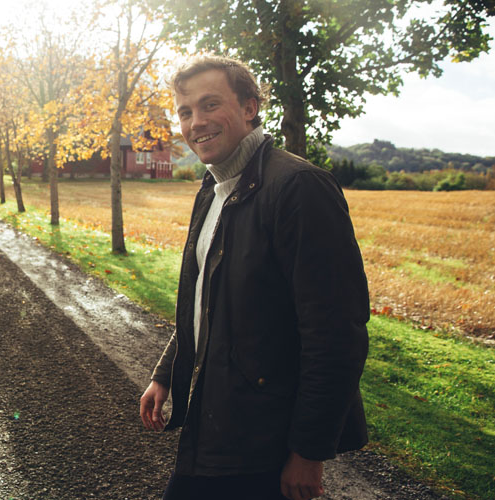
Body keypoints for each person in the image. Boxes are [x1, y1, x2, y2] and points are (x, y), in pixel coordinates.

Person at [139, 55, 370, 500]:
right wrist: (166, 373)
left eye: (210, 105)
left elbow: (336, 333)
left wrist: (308, 453)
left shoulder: (299, 188)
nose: (195, 123)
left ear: (249, 107)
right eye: (185, 112)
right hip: (218, 417)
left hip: (266, 437)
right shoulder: (212, 188)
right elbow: (208, 294)